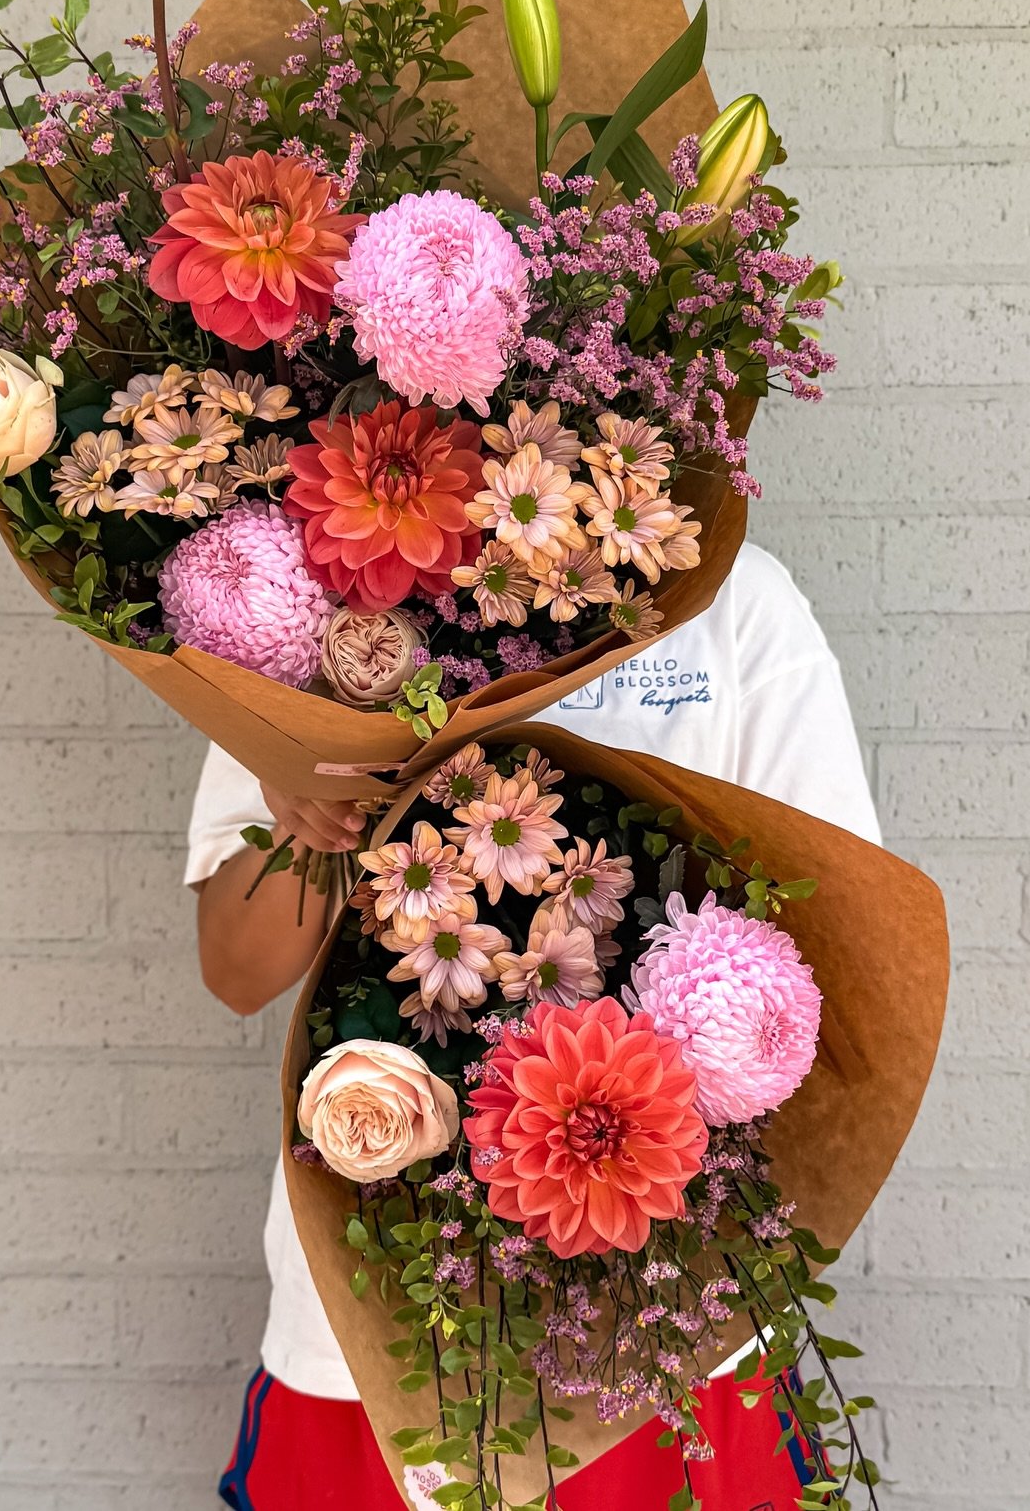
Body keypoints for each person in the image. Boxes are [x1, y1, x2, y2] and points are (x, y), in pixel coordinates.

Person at [187, 540, 880, 1511]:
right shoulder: (320, 622)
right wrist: (306, 826)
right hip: (384, 1293)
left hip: (659, 1313)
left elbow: (838, 948)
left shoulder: (732, 604)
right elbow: (238, 969)